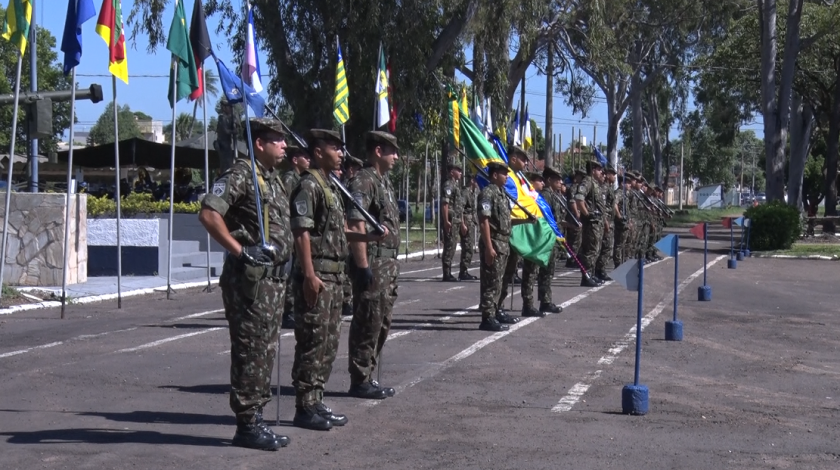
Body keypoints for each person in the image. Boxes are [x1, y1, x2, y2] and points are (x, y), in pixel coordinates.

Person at [198, 117, 292, 451]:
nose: (284, 145)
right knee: (251, 351)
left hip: (272, 284)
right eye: (276, 140)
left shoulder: (271, 179)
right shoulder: (241, 174)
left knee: (264, 351)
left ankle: (256, 419)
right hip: (250, 283)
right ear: (258, 144)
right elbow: (209, 212)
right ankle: (247, 425)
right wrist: (239, 250)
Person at [289, 129, 384, 431]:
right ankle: (304, 407)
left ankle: (315, 400)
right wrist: (308, 275)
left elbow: (340, 231)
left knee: (328, 344)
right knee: (313, 341)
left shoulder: (331, 186)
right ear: (318, 152)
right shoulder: (309, 185)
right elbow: (302, 231)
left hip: (334, 274)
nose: (341, 153)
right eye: (334, 147)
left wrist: (368, 235)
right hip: (317, 273)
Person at [346, 131, 400, 400]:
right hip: (375, 262)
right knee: (368, 320)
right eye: (392, 151)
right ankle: (359, 378)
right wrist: (363, 265)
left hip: (388, 263)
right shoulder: (364, 181)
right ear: (378, 151)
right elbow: (355, 223)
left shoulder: (383, 182)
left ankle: (367, 375)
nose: (396, 157)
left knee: (382, 322)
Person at [477, 161, 520, 332]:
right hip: (494, 243)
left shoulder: (502, 193)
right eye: (504, 173)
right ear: (495, 175)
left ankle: (497, 310)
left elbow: (505, 221)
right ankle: (487, 317)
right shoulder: (487, 193)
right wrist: (488, 247)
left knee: (501, 281)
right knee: (491, 281)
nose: (507, 176)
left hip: (504, 243)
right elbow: (483, 221)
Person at [518, 172, 549, 318]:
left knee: (535, 272)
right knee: (529, 273)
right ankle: (527, 305)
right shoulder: (528, 198)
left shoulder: (539, 198)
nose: (542, 183)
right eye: (539, 181)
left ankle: (532, 304)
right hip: (531, 238)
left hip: (539, 238)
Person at [340, 153, 365, 318]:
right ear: (350, 169)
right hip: (347, 230)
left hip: (349, 230)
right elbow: (345, 211)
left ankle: (347, 300)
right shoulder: (347, 186)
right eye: (357, 169)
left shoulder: (349, 185)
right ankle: (346, 300)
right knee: (348, 266)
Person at [574, 159, 606, 287]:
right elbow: (579, 198)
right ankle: (586, 276)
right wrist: (587, 214)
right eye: (598, 169)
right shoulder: (587, 181)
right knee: (590, 250)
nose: (601, 172)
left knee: (595, 249)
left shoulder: (595, 183)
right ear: (593, 170)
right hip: (591, 223)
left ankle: (591, 275)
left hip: (597, 223)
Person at [441, 162, 466, 281]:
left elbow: (459, 207)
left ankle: (449, 272)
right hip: (450, 220)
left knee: (453, 246)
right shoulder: (449, 185)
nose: (460, 172)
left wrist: (461, 222)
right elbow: (445, 204)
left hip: (455, 221)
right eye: (458, 170)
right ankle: (446, 273)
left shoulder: (456, 186)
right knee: (449, 246)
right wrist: (446, 221)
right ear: (452, 172)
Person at [595, 167, 620, 281]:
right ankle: (599, 270)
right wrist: (605, 221)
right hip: (606, 221)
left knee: (607, 247)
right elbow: (603, 207)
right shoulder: (604, 188)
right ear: (608, 175)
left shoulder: (609, 188)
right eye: (613, 174)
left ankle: (601, 270)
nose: (615, 177)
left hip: (610, 221)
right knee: (605, 247)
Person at [458, 178, 479, 280]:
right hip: (466, 222)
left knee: (469, 248)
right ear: (472, 180)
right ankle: (463, 272)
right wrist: (462, 224)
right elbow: (460, 209)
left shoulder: (472, 192)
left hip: (470, 223)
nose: (477, 183)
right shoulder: (465, 192)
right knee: (467, 248)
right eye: (476, 181)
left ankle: (464, 271)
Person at [564, 169, 586, 268]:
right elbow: (573, 202)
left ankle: (574, 258)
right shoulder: (574, 187)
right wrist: (577, 214)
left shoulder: (580, 187)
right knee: (574, 239)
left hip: (577, 215)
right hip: (573, 215)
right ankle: (571, 259)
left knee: (578, 239)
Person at [613, 171, 635, 267]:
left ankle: (623, 263)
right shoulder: (619, 193)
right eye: (628, 183)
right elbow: (614, 204)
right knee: (619, 245)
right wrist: (619, 216)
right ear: (622, 183)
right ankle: (618, 265)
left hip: (625, 223)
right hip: (620, 224)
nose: (630, 185)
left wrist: (629, 221)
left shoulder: (625, 194)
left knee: (624, 245)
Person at [215, 100, 241, 172]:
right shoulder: (221, 117)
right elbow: (225, 130)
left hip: (228, 144)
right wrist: (233, 131)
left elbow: (237, 129)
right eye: (223, 107)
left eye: (226, 107)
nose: (223, 108)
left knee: (228, 163)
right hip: (221, 143)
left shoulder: (233, 116)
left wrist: (235, 127)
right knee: (223, 163)